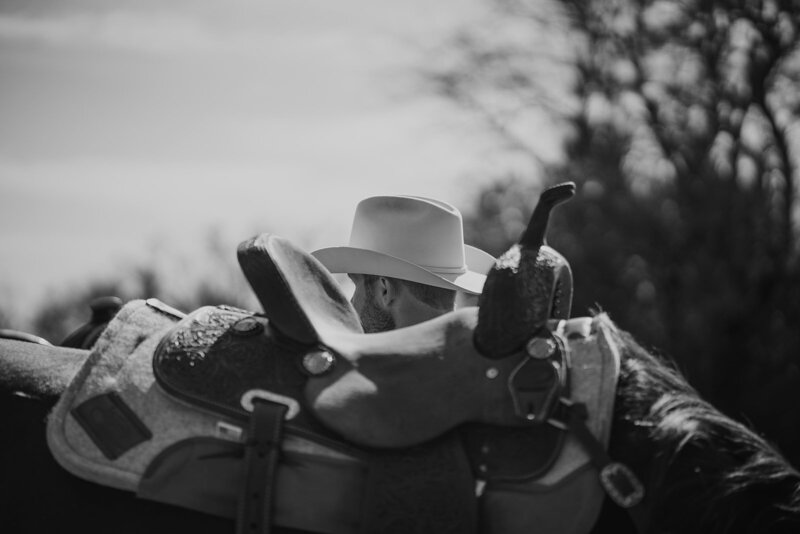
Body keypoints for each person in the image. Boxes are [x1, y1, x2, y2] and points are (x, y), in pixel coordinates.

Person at [312, 195, 495, 333]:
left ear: (385, 290)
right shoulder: (480, 364)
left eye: (356, 286)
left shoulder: (371, 377)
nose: (351, 304)